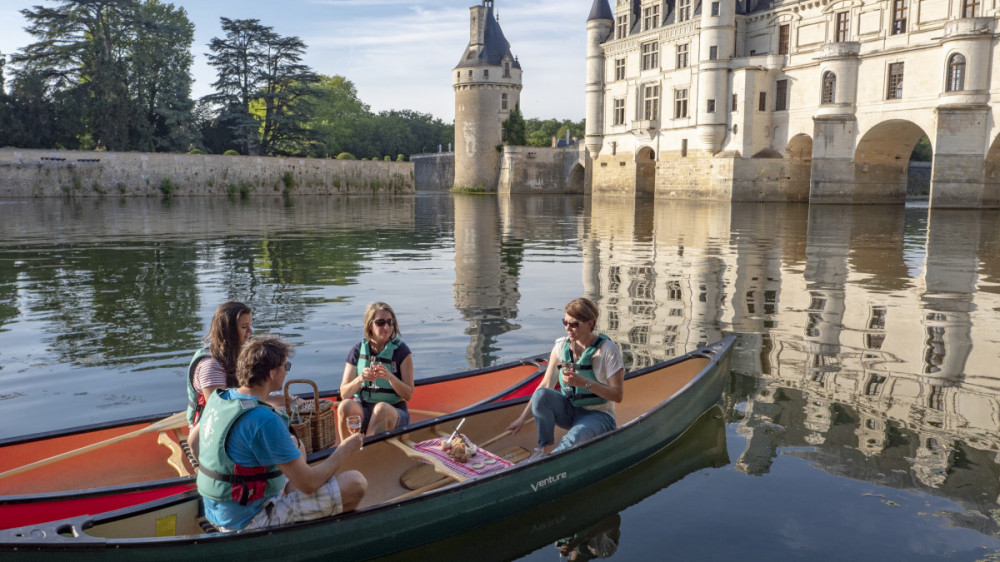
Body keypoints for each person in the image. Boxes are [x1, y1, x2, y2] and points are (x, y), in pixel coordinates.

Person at [196, 336, 367, 531]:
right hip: (249, 521)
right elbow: (309, 484)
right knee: (355, 483)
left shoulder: (222, 398)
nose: (286, 371)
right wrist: (344, 450)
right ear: (271, 374)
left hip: (217, 512)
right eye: (286, 367)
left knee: (295, 444)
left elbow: (194, 441)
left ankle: (290, 495)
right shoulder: (264, 419)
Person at [507, 297, 625, 458]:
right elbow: (545, 385)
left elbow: (617, 395)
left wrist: (584, 382)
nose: (568, 328)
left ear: (590, 323)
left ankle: (553, 460)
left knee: (574, 438)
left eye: (574, 324)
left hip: (599, 415)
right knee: (542, 395)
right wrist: (522, 419)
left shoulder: (608, 350)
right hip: (570, 411)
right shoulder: (561, 346)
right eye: (565, 322)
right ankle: (545, 450)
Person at [337, 302, 415, 441]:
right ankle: (346, 450)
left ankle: (367, 450)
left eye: (390, 322)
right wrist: (360, 379)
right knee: (345, 406)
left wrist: (389, 377)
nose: (386, 327)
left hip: (394, 412)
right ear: (370, 325)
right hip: (364, 409)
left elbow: (408, 394)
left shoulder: (402, 351)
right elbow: (344, 394)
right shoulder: (357, 351)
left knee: (381, 409)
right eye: (380, 323)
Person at [186, 301, 253, 455]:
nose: (250, 331)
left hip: (230, 420)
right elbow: (220, 410)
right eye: (244, 327)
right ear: (228, 331)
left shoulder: (231, 354)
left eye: (249, 325)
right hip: (210, 432)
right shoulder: (211, 366)